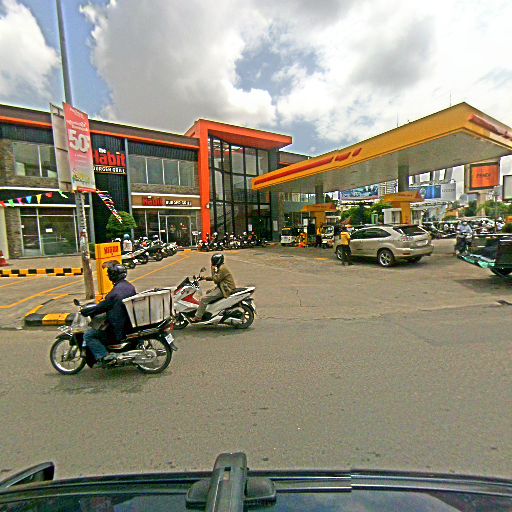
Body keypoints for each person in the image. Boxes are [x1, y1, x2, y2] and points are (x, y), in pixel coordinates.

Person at [81, 262, 136, 365]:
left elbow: (103, 306)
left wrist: (87, 311)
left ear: (112, 276)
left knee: (89, 335)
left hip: (118, 327)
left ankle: (104, 356)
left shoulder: (115, 293)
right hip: (127, 321)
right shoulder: (129, 286)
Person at [192, 253, 236, 322]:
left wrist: (212, 269)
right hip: (223, 287)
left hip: (225, 289)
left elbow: (216, 280)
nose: (212, 262)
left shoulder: (222, 268)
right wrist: (204, 278)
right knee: (208, 292)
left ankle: (198, 317)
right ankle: (211, 311)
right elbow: (216, 277)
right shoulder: (221, 267)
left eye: (213, 261)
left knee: (204, 299)